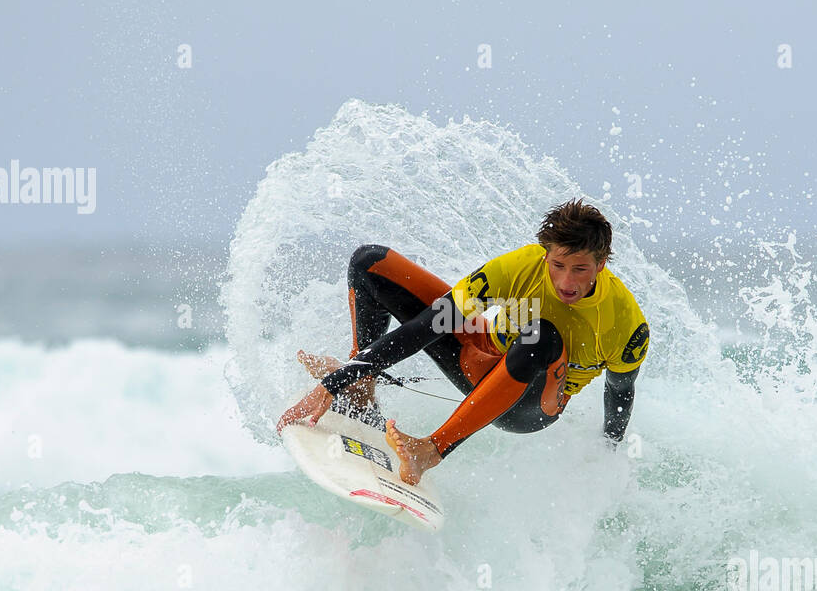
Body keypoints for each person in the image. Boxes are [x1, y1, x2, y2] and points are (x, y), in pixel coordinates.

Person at [276, 197, 650, 484]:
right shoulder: (519, 267)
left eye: (580, 269)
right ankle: (360, 387)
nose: (566, 282)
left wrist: (608, 455)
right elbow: (432, 324)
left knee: (540, 334)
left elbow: (620, 391)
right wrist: (335, 382)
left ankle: (430, 450)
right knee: (371, 262)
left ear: (601, 264)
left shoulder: (624, 322)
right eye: (558, 266)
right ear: (546, 255)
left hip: (531, 404)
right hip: (481, 358)